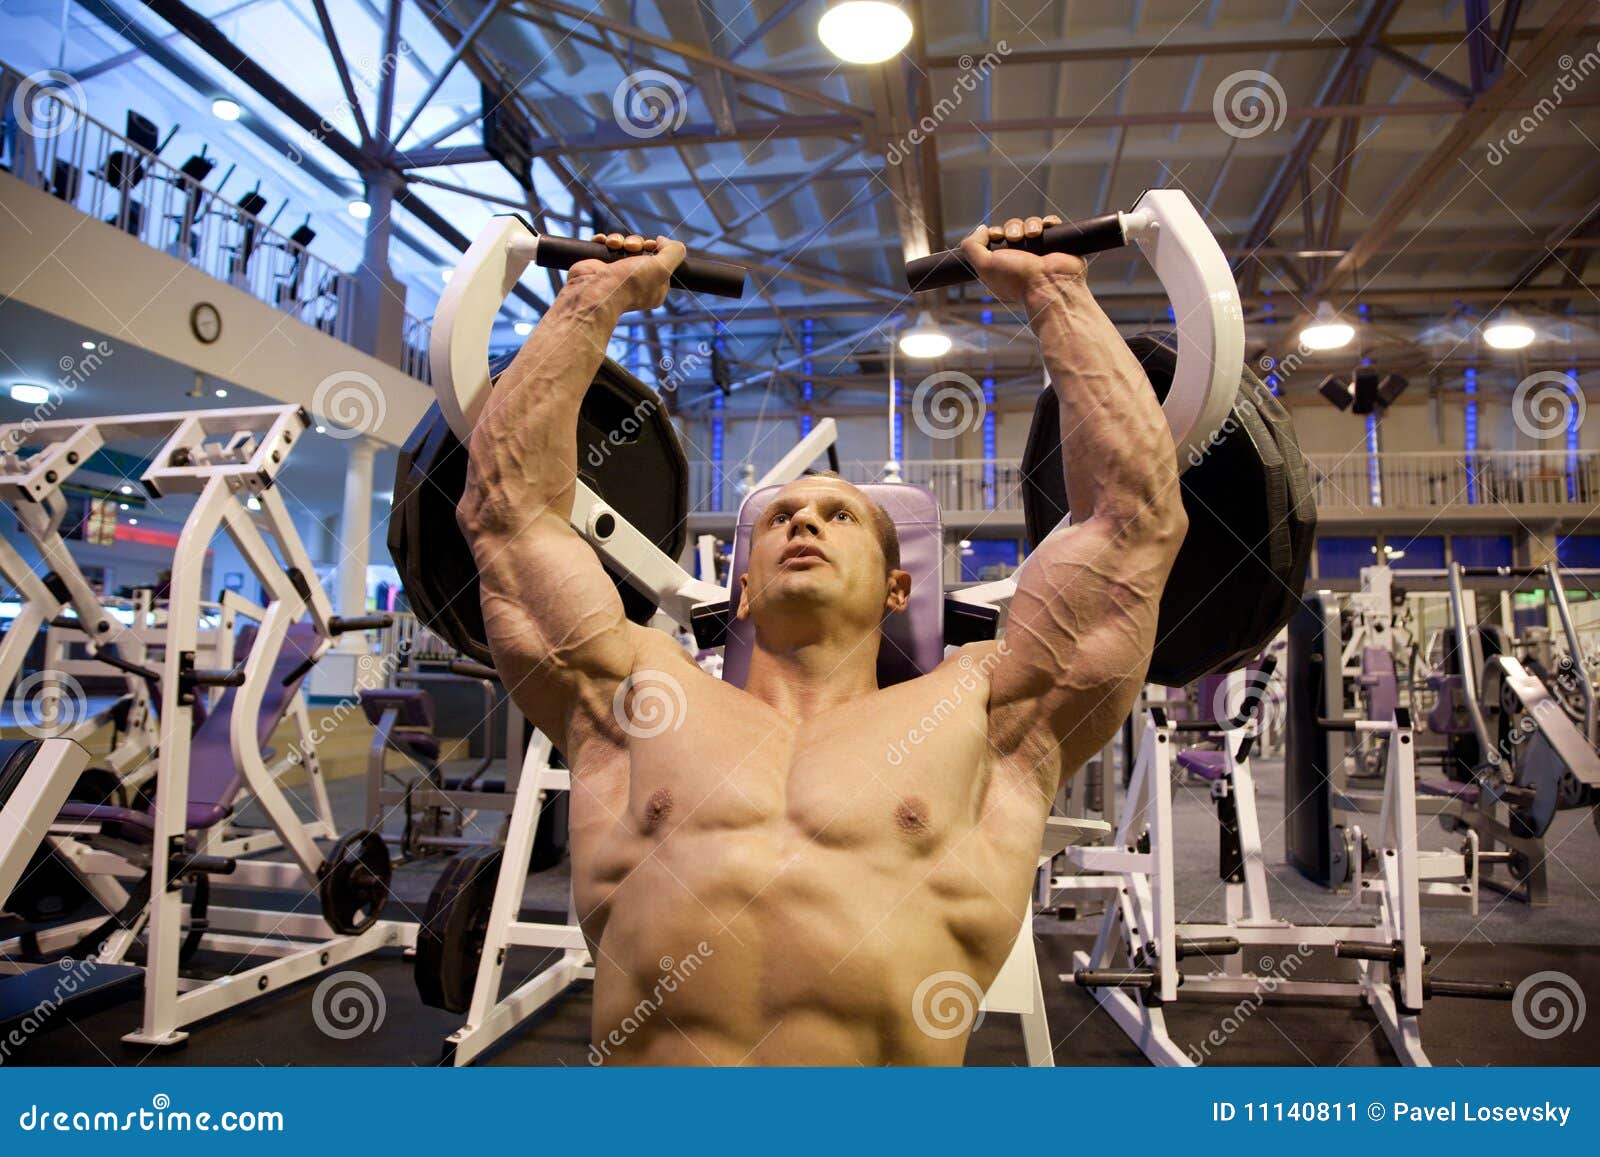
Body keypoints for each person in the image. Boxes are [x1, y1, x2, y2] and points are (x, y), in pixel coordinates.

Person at [456, 217, 1186, 1065]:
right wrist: (590, 299)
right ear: (740, 584)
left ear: (896, 585)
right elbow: (506, 514)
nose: (803, 516)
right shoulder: (636, 693)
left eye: (840, 515)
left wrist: (1056, 293)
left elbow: (1133, 520)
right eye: (779, 518)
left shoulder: (983, 707)